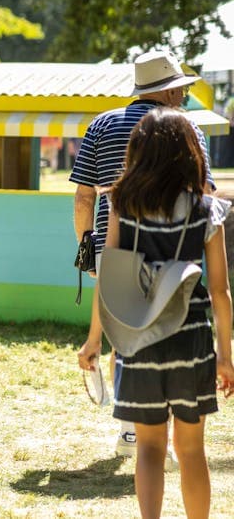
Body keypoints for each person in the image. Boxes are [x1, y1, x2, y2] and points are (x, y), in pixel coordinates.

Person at [79, 108, 234, 519]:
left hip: (139, 337)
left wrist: (96, 339)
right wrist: (225, 357)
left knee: (148, 448)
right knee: (191, 450)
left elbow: (111, 279)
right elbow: (220, 291)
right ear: (190, 153)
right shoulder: (207, 209)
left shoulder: (122, 205)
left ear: (138, 152)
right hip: (192, 339)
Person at [72, 49, 214, 462]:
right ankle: (158, 432)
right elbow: (203, 193)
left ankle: (132, 431)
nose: (184, 95)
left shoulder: (101, 123)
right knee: (167, 332)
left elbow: (84, 195)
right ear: (168, 93)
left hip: (112, 239)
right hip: (173, 246)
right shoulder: (187, 127)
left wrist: (88, 244)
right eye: (181, 89)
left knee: (125, 331)